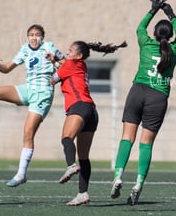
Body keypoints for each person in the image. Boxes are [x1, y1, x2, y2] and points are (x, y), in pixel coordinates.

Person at [0, 24, 65, 187]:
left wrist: (55, 61)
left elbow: (66, 66)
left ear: (42, 37)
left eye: (37, 35)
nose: (34, 37)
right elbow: (7, 68)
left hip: (43, 94)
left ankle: (21, 174)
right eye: (31, 34)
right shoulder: (24, 50)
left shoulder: (49, 47)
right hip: (28, 89)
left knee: (28, 133)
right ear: (27, 37)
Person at [110, 0, 176, 206]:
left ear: (154, 33)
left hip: (138, 91)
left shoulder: (145, 42)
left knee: (127, 137)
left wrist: (153, 9)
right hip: (158, 97)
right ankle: (138, 183)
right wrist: (171, 13)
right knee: (146, 143)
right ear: (170, 36)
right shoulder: (174, 49)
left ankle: (118, 176)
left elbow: (139, 27)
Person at [49, 40, 126, 206]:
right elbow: (64, 66)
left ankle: (70, 165)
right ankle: (82, 193)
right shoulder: (80, 65)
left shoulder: (71, 64)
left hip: (79, 106)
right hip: (91, 111)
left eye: (70, 51)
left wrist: (51, 66)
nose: (67, 53)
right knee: (84, 156)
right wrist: (55, 61)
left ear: (79, 55)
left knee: (66, 138)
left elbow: (53, 80)